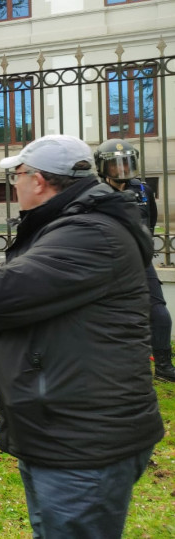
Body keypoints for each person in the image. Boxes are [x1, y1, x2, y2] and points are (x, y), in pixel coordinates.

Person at [0, 134, 163, 538]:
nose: (13, 185)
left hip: (84, 441)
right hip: (59, 428)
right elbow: (8, 309)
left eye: (16, 175)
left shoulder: (90, 232)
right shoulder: (65, 225)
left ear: (38, 180)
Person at [95, 138, 175, 382]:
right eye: (115, 165)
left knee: (160, 315)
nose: (122, 170)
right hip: (107, 264)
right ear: (102, 168)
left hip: (139, 261)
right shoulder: (95, 195)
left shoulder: (143, 190)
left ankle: (163, 366)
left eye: (127, 163)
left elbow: (148, 225)